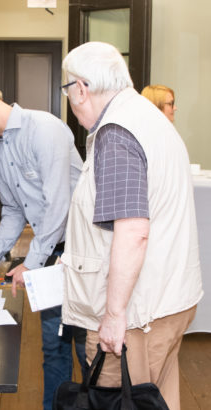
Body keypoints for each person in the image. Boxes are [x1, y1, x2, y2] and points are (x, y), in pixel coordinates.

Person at [61, 41, 202, 410]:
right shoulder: (148, 118)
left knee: (115, 399)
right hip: (167, 302)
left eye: (68, 90)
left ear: (81, 88)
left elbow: (133, 231)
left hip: (138, 315)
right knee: (157, 400)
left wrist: (113, 315)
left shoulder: (117, 132)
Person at [0, 78, 86, 410]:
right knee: (54, 344)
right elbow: (12, 211)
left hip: (84, 252)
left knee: (87, 346)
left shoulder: (46, 130)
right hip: (50, 254)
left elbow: (57, 206)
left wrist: (31, 263)